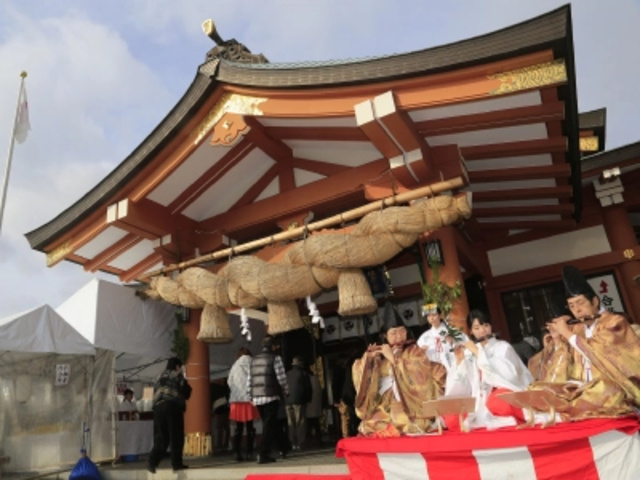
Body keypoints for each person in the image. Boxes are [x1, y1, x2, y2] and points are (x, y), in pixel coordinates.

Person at [528, 265, 640, 420]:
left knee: (596, 392)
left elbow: (601, 352)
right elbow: (562, 364)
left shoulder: (614, 322)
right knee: (540, 389)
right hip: (582, 385)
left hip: (612, 385)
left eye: (580, 303)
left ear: (594, 301)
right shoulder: (576, 329)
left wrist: (567, 333)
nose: (577, 310)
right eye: (572, 306)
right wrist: (557, 339)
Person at [352, 308, 446, 436]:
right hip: (384, 403)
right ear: (385, 336)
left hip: (407, 403)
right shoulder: (380, 354)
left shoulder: (414, 350)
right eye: (394, 333)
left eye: (402, 331)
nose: (399, 336)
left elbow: (420, 373)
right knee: (370, 422)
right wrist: (369, 360)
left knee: (407, 422)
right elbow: (361, 373)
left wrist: (392, 359)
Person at [445, 309, 533, 430]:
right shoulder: (469, 351)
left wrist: (478, 352)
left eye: (485, 325)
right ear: (470, 331)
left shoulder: (503, 347)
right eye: (477, 328)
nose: (482, 331)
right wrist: (460, 361)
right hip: (478, 400)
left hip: (501, 394)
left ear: (491, 326)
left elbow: (510, 376)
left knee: (497, 402)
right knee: (451, 416)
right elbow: (462, 383)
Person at [248, 335, 289, 464]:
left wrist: (250, 395)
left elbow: (250, 380)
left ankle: (283, 447)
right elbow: (281, 377)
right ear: (273, 346)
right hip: (271, 395)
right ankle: (263, 453)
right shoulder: (275, 358)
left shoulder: (254, 360)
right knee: (269, 425)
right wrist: (286, 390)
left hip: (257, 397)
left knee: (271, 424)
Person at [147, 357, 192, 473]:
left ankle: (152, 462)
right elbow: (186, 392)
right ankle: (176, 464)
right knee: (176, 436)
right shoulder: (177, 375)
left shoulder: (158, 377)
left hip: (158, 408)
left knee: (161, 437)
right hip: (173, 406)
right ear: (177, 366)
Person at [228, 347, 259, 462]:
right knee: (250, 427)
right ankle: (249, 452)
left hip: (237, 400)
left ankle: (237, 452)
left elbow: (229, 381)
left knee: (238, 427)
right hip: (249, 399)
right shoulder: (253, 364)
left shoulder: (235, 365)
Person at [417, 303, 468, 370]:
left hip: (455, 367)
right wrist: (421, 351)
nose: (431, 318)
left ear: (440, 315)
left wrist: (453, 342)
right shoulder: (424, 337)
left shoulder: (452, 331)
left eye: (434, 315)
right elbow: (418, 356)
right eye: (429, 316)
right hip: (436, 371)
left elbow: (466, 344)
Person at [285, 357, 312, 451]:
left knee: (291, 423)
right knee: (300, 422)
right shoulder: (303, 374)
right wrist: (308, 399)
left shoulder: (287, 374)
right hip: (299, 401)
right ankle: (301, 443)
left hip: (288, 401)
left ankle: (293, 443)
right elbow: (308, 388)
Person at [305, 369, 324, 448]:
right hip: (316, 406)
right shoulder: (316, 380)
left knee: (309, 425)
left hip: (309, 406)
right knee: (316, 424)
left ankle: (309, 441)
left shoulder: (307, 380)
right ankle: (318, 440)